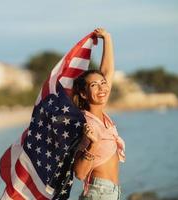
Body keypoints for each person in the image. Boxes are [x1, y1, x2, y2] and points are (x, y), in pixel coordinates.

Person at [72, 28, 126, 200]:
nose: (102, 88)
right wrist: (93, 144)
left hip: (112, 193)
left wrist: (107, 38)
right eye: (94, 85)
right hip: (99, 194)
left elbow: (108, 71)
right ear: (83, 93)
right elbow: (80, 173)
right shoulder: (86, 122)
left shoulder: (100, 114)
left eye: (103, 83)